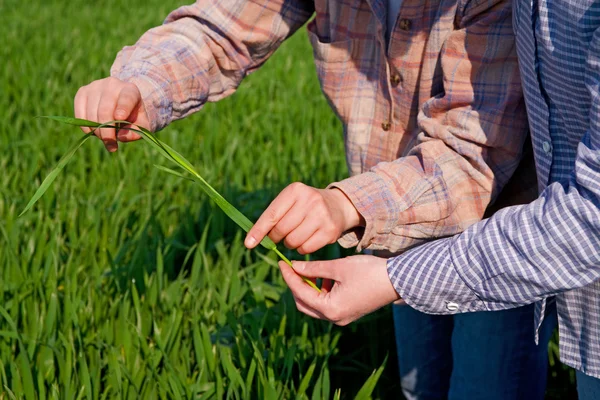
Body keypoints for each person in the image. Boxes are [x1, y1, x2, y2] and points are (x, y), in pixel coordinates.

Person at [73, 0, 550, 398]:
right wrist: (139, 85)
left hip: (499, 233)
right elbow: (224, 27)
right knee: (419, 382)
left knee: (487, 384)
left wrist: (345, 206)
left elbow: (471, 154)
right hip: (394, 231)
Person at [280, 0, 600, 398]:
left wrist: (385, 268)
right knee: (421, 383)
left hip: (509, 235)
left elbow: (590, 214)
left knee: (486, 383)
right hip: (414, 235)